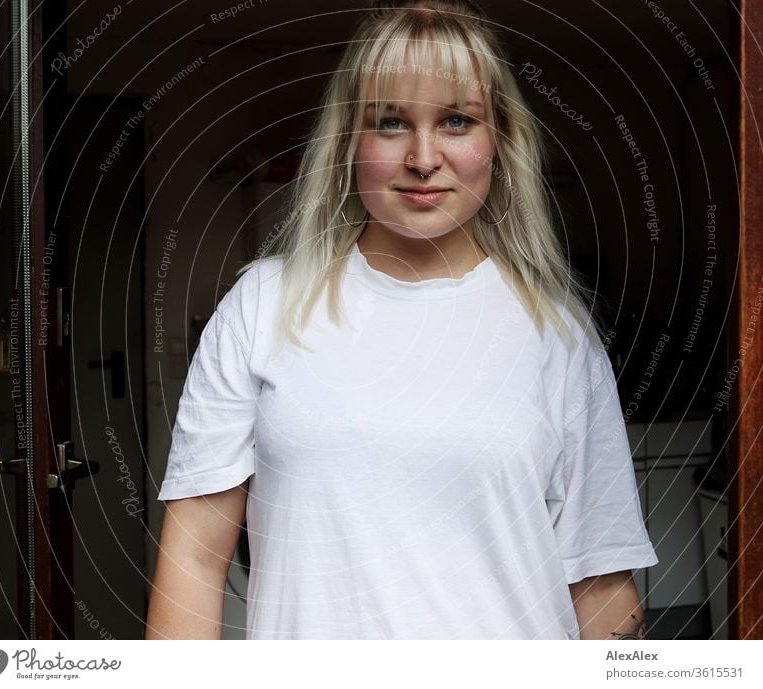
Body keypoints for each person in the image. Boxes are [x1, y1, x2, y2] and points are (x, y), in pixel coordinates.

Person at [146, 0, 658, 640]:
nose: (423, 157)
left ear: (497, 141)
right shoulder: (261, 307)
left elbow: (601, 582)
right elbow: (194, 557)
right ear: (350, 141)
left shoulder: (558, 332)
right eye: (391, 123)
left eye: (455, 121)